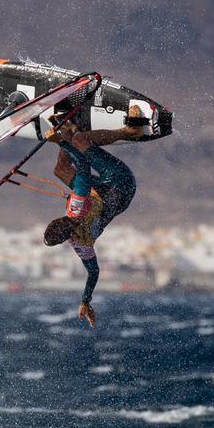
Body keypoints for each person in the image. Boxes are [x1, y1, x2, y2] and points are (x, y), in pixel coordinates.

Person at [43, 107, 146, 327]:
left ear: (66, 239)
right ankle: (130, 131)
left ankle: (69, 128)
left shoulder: (80, 244)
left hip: (105, 193)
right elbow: (81, 165)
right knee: (80, 140)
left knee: (60, 169)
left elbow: (93, 271)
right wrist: (61, 143)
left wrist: (85, 300)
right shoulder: (77, 205)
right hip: (120, 182)